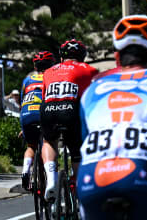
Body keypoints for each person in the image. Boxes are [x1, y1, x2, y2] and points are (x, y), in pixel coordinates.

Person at [76, 15, 147, 220]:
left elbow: (84, 149)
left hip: (91, 180)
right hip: (143, 176)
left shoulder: (92, 91)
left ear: (117, 57)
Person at [40, 39, 98, 203]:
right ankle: (79, 186)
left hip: (48, 109)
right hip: (71, 109)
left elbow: (44, 96)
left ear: (61, 56)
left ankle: (51, 179)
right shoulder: (88, 69)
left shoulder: (48, 71)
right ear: (82, 56)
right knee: (77, 148)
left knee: (49, 141)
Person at [19, 51, 56, 190]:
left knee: (31, 146)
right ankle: (51, 177)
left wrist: (22, 128)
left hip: (26, 113)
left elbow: (22, 102)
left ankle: (25, 170)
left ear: (35, 67)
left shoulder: (27, 80)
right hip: (43, 113)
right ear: (51, 65)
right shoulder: (52, 77)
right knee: (50, 144)